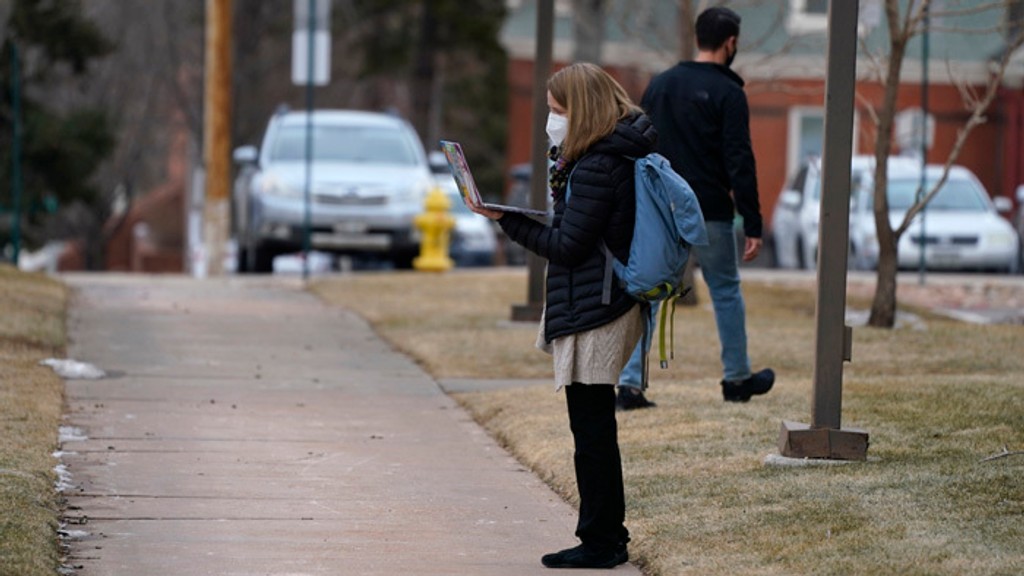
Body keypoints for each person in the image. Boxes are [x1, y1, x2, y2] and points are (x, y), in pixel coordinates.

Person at [468, 62, 655, 569]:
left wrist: (508, 221)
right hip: (599, 299)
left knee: (592, 431)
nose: (551, 120)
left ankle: (602, 541)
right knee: (592, 427)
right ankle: (605, 535)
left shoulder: (598, 165)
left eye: (557, 110)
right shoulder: (601, 157)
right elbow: (577, 232)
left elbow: (569, 246)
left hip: (599, 305)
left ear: (582, 110)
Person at [616, 5, 774, 410]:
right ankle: (736, 379)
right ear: (730, 43)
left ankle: (629, 386)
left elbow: (640, 146)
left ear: (699, 37)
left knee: (648, 292)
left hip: (660, 209)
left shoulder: (660, 84)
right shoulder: (729, 93)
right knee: (725, 290)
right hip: (709, 209)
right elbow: (739, 159)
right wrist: (753, 222)